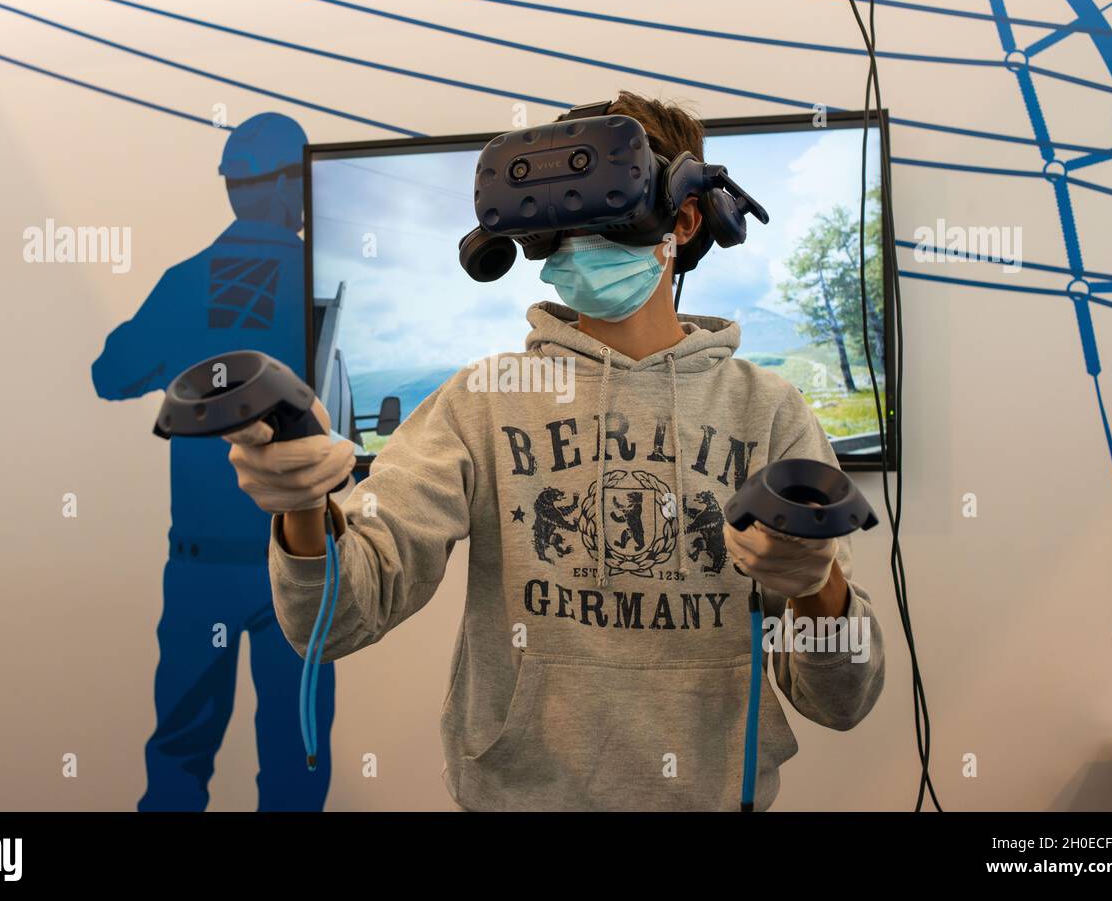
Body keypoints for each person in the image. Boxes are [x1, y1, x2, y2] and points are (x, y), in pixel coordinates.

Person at [225, 92, 884, 811]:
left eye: (600, 210)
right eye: (556, 221)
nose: (575, 243)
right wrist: (303, 508)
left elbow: (843, 698)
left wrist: (818, 588)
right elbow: (339, 617)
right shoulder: (482, 401)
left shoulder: (769, 412)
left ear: (684, 218)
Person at [92, 113, 333, 811]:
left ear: (233, 189)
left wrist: (186, 331)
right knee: (297, 764)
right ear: (294, 188)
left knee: (178, 760)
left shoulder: (183, 281)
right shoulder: (322, 286)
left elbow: (111, 373)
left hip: (200, 572)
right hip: (301, 567)